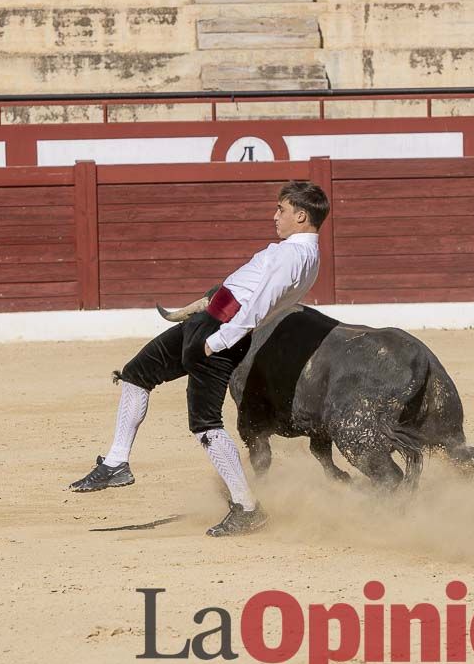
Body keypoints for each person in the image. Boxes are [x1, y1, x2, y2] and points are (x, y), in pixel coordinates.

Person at [68, 180, 330, 537]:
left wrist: (218, 340)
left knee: (205, 422)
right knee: (136, 373)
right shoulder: (305, 257)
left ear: (301, 215)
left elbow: (258, 304)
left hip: (220, 332)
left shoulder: (292, 256)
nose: (275, 216)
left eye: (281, 210)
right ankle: (116, 462)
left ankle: (247, 507)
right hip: (208, 322)